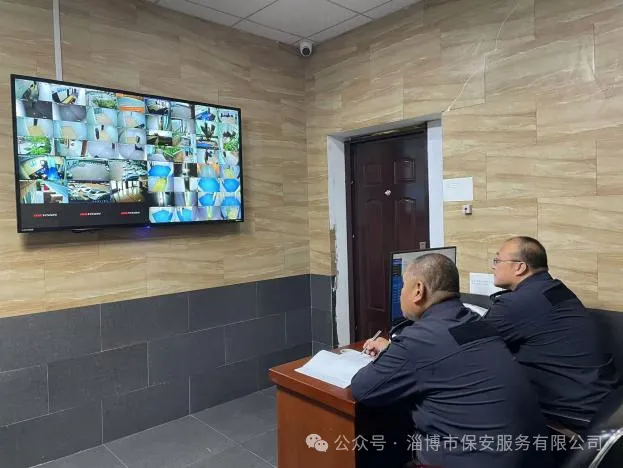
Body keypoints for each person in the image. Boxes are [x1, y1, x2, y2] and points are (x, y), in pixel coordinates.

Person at [351, 254, 552, 468]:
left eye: (403, 286)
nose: (400, 293)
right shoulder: (476, 322)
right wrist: (396, 351)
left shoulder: (419, 340)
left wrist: (396, 353)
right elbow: (445, 357)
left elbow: (364, 388)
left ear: (418, 290)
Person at [485, 236, 620, 433]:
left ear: (520, 267)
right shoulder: (554, 290)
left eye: (497, 260)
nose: (493, 266)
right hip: (604, 402)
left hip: (573, 416)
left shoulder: (519, 303)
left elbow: (468, 346)